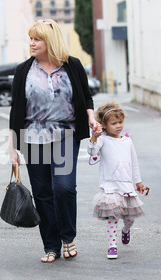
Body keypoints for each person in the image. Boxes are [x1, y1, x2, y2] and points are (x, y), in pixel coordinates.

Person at [9, 19, 98, 263]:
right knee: (43, 192)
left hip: (65, 134)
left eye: (37, 39)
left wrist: (90, 116)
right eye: (31, 38)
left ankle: (67, 236)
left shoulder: (73, 65)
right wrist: (12, 147)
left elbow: (86, 98)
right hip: (33, 137)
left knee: (64, 187)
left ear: (51, 41)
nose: (32, 43)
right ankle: (51, 245)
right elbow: (16, 109)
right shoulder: (23, 70)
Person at [87, 102, 146, 259]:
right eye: (114, 123)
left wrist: (138, 182)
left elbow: (134, 163)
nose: (118, 126)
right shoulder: (103, 140)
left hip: (126, 186)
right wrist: (94, 136)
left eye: (120, 122)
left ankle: (126, 230)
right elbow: (92, 151)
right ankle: (112, 246)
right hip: (110, 186)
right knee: (113, 217)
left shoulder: (127, 141)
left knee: (129, 218)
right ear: (104, 125)